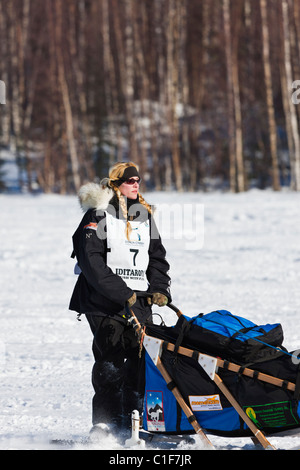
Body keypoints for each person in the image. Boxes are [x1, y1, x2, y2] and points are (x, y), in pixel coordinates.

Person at [69, 162, 171, 435]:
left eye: (138, 179)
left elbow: (157, 259)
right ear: (115, 185)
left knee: (141, 361)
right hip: (103, 301)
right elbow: (91, 263)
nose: (135, 183)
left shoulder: (144, 215)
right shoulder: (97, 214)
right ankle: (106, 422)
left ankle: (135, 422)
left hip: (139, 301)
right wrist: (122, 293)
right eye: (128, 180)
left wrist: (160, 288)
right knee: (110, 362)